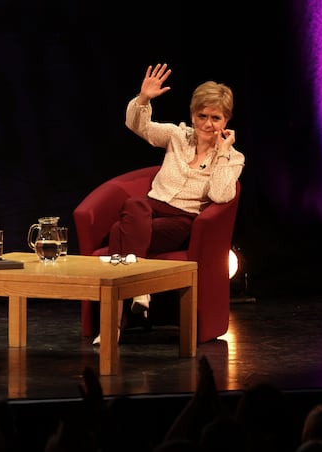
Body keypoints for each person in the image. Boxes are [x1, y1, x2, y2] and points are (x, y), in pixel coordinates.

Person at [95, 63, 245, 345]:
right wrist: (144, 99)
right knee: (135, 206)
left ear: (226, 121)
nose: (208, 124)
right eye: (202, 116)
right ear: (192, 115)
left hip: (183, 221)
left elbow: (221, 195)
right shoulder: (178, 136)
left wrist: (222, 154)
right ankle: (139, 291)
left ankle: (114, 325)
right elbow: (138, 126)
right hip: (150, 208)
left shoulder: (233, 157)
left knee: (118, 231)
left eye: (216, 118)